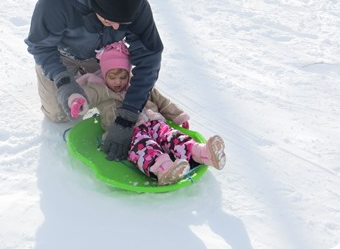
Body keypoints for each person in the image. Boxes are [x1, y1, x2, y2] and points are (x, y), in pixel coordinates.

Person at [25, 0, 163, 161]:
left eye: (122, 23)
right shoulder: (55, 0)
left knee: (119, 94)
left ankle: (144, 94)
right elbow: (40, 46)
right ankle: (62, 77)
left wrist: (128, 116)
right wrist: (63, 81)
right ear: (94, 4)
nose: (117, 27)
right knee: (59, 114)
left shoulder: (135, 4)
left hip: (104, 55)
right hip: (59, 54)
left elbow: (149, 55)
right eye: (109, 20)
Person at [68, 41, 226, 186]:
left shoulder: (138, 85)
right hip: (126, 133)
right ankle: (163, 170)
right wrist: (78, 101)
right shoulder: (100, 89)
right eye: (112, 77)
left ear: (129, 74)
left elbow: (161, 101)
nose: (118, 82)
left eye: (123, 77)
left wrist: (177, 115)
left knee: (171, 136)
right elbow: (88, 96)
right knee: (144, 147)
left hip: (154, 122)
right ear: (104, 74)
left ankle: (201, 153)